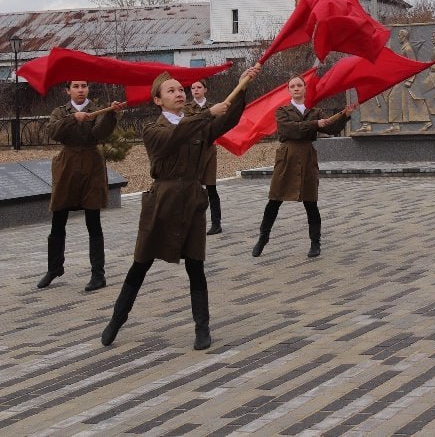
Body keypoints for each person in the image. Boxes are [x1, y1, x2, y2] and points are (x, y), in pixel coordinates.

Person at [101, 65, 260, 350]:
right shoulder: (153, 129)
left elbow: (229, 119)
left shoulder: (198, 122)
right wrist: (206, 114)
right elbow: (175, 138)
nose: (179, 94)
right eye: (171, 91)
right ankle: (117, 318)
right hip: (162, 201)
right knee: (141, 263)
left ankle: (202, 327)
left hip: (191, 200)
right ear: (157, 100)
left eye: (181, 90)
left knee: (196, 265)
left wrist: (243, 86)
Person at [252, 75, 358, 258]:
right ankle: (263, 237)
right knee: (274, 200)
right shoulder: (282, 111)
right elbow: (289, 129)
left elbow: (330, 129)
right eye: (292, 86)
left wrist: (344, 116)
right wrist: (314, 124)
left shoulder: (314, 111)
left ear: (305, 88)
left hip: (307, 158)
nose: (296, 88)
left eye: (299, 85)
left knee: (311, 202)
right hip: (287, 158)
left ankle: (315, 242)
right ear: (288, 90)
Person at [37, 81, 125, 291]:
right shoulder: (60, 112)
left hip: (91, 167)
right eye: (75, 86)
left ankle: (98, 275)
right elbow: (53, 132)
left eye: (84, 86)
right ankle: (54, 268)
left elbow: (100, 134)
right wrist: (72, 118)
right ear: (68, 90)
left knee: (93, 221)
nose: (80, 90)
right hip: (67, 167)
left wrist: (111, 114)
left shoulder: (96, 110)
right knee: (59, 219)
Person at [184, 79, 223, 235]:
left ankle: (216, 223)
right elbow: (188, 125)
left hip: (208, 149)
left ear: (205, 89)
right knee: (192, 187)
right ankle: (192, 222)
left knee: (211, 187)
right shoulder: (186, 108)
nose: (195, 90)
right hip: (192, 151)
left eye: (199, 87)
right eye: (193, 87)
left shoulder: (214, 107)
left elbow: (217, 126)